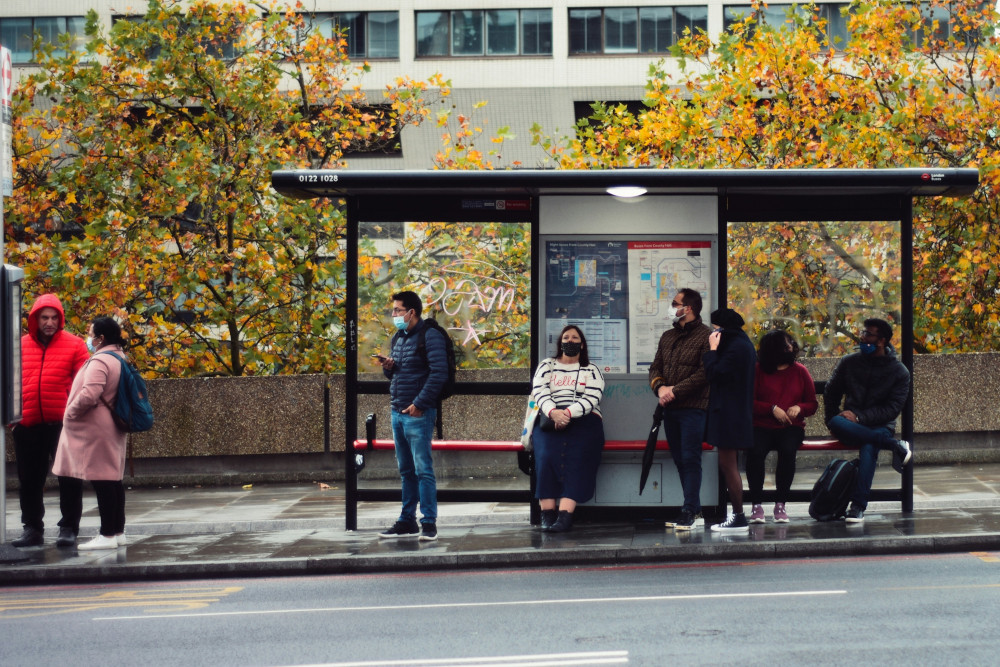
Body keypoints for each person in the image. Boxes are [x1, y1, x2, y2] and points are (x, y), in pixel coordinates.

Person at [10, 294, 90, 548]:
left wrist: (76, 417)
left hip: (64, 426)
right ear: (35, 319)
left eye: (54, 317)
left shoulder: (75, 345)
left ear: (61, 319)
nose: (50, 322)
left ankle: (69, 527)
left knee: (69, 477)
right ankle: (32, 528)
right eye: (44, 317)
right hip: (28, 425)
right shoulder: (18, 346)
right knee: (29, 480)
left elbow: (85, 384)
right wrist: (14, 420)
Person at [51, 317, 130, 550]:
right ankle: (117, 532)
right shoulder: (118, 357)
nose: (89, 337)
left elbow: (89, 394)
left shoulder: (100, 360)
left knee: (102, 480)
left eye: (91, 332)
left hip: (95, 429)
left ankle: (106, 535)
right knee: (113, 479)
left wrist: (70, 412)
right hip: (110, 426)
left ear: (101, 338)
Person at [376, 290, 449, 541]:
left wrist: (419, 404)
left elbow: (439, 374)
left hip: (418, 412)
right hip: (398, 410)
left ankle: (428, 522)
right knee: (406, 470)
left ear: (411, 312)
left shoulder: (431, 336)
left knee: (422, 470)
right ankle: (407, 520)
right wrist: (390, 367)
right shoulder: (400, 337)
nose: (394, 314)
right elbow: (401, 374)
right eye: (393, 310)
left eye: (397, 310)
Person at [824, 317, 912, 523]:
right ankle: (895, 446)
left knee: (869, 446)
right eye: (863, 333)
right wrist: (833, 419)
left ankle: (857, 507)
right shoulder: (849, 362)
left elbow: (892, 409)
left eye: (868, 334)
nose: (863, 338)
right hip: (848, 424)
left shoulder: (899, 371)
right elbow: (831, 392)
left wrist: (860, 417)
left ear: (881, 341)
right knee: (836, 422)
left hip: (879, 426)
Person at [529, 325, 606, 533]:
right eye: (566, 337)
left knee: (578, 457)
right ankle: (547, 514)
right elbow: (539, 391)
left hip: (584, 421)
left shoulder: (591, 369)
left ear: (582, 344)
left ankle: (565, 515)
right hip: (549, 419)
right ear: (560, 342)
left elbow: (593, 397)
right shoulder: (547, 365)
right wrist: (554, 412)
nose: (570, 341)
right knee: (545, 458)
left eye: (574, 338)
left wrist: (568, 414)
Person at [648, 288, 711, 531]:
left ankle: (689, 510)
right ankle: (694, 508)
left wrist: (675, 391)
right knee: (679, 459)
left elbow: (704, 374)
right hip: (670, 409)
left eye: (675, 303)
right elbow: (655, 367)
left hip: (694, 408)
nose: (672, 306)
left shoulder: (707, 337)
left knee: (690, 458)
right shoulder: (667, 336)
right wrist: (661, 388)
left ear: (689, 308)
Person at [747, 330, 818, 524]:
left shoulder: (800, 371)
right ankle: (756, 505)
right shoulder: (757, 370)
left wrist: (799, 408)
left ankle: (781, 504)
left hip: (791, 427)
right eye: (788, 344)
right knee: (755, 452)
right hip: (761, 424)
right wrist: (771, 409)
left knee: (788, 451)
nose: (792, 347)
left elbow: (812, 404)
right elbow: (747, 402)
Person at [703, 308, 757, 533]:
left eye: (715, 327)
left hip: (729, 414)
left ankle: (738, 516)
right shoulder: (742, 344)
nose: (714, 332)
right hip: (732, 412)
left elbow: (715, 373)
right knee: (728, 465)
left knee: (728, 465)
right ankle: (737, 516)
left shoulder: (735, 348)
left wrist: (712, 350)